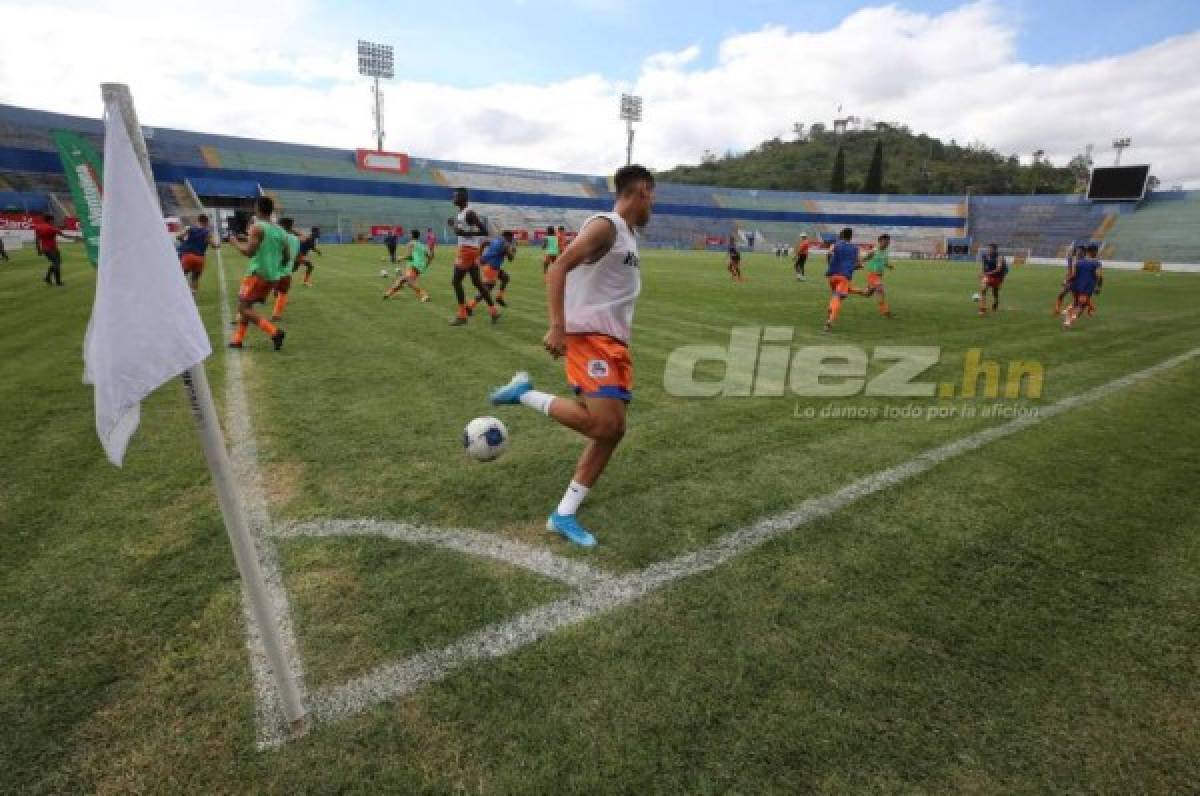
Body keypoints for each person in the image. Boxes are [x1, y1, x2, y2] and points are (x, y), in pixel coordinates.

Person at [488, 164, 655, 547]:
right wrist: (558, 325)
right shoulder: (605, 226)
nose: (653, 206)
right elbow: (559, 267)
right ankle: (524, 394)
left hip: (613, 344)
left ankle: (563, 515)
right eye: (653, 197)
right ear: (642, 190)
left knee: (612, 432)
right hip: (589, 340)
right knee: (605, 426)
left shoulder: (627, 235)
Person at [226, 196, 288, 350]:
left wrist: (234, 243)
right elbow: (286, 257)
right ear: (271, 210)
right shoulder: (281, 231)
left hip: (257, 274)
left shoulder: (257, 227)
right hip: (273, 277)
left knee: (243, 308)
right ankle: (237, 340)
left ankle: (274, 332)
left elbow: (249, 252)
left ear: (257, 209)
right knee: (247, 306)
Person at [447, 187, 499, 325]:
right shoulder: (460, 214)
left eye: (456, 196)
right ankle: (494, 311)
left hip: (467, 251)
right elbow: (461, 231)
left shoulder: (469, 213)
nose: (453, 199)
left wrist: (466, 234)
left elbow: (484, 230)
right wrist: (454, 226)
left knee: (456, 282)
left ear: (463, 198)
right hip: (470, 250)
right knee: (477, 283)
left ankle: (462, 316)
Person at [823, 227, 864, 332]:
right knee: (838, 297)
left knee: (836, 294)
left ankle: (831, 307)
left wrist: (830, 264)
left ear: (841, 236)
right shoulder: (855, 249)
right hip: (844, 277)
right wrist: (852, 267)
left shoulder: (835, 245)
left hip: (831, 276)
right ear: (851, 237)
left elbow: (828, 254)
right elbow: (859, 265)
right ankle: (830, 321)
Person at [468, 230, 515, 312]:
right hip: (491, 268)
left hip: (487, 264)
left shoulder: (496, 239)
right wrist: (513, 252)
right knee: (486, 290)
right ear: (508, 237)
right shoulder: (506, 244)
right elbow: (511, 259)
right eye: (512, 238)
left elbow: (484, 242)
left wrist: (480, 254)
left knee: (505, 277)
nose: (512, 240)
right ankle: (470, 306)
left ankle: (499, 298)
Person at [383, 228, 432, 302]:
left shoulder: (410, 243)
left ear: (412, 235)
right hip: (420, 266)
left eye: (410, 234)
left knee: (409, 282)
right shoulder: (422, 245)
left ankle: (424, 295)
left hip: (414, 265)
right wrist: (426, 265)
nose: (409, 235)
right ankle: (389, 293)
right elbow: (430, 257)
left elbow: (409, 256)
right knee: (403, 280)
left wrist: (400, 258)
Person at [1063, 244, 1103, 329]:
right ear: (1095, 252)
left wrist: (1067, 281)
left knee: (1076, 302)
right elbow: (1099, 276)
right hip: (1088, 287)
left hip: (1076, 286)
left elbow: (1073, 275)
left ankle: (1068, 318)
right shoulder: (1097, 263)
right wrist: (1098, 287)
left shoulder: (1079, 262)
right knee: (1082, 304)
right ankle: (1070, 319)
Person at [176, 214, 217, 294]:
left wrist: (184, 242)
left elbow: (178, 236)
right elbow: (213, 245)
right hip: (199, 258)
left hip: (188, 256)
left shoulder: (190, 228)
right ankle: (193, 297)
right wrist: (217, 244)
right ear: (206, 222)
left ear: (198, 220)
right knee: (195, 278)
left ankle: (178, 294)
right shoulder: (207, 232)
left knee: (181, 276)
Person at [270, 217, 301, 321]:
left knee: (254, 294)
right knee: (283, 293)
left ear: (281, 226)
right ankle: (276, 314)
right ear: (291, 227)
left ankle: (242, 315)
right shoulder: (296, 239)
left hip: (272, 270)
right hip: (287, 271)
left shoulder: (277, 236)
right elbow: (296, 256)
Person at [32, 214, 71, 286]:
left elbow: (37, 240)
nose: (54, 222)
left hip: (45, 249)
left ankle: (48, 278)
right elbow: (64, 235)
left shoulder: (38, 227)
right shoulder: (51, 228)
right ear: (50, 220)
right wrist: (77, 238)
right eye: (53, 220)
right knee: (57, 264)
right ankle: (57, 281)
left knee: (55, 263)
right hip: (52, 249)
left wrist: (38, 250)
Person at [862, 233, 895, 318]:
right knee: (881, 291)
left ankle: (854, 291)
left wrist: (889, 266)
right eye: (886, 242)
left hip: (879, 276)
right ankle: (885, 311)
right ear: (880, 241)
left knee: (868, 294)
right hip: (872, 275)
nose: (887, 243)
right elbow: (865, 258)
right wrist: (858, 263)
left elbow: (885, 262)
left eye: (888, 242)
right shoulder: (874, 251)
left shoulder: (885, 252)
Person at [978, 243, 1008, 315]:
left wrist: (986, 274)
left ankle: (996, 302)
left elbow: (998, 269)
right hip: (988, 276)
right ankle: (982, 308)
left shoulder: (999, 258)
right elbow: (984, 266)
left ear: (995, 250)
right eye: (988, 249)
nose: (989, 250)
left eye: (990, 249)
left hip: (997, 277)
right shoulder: (985, 256)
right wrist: (983, 273)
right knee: (983, 290)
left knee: (995, 292)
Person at [1055, 243, 1084, 315]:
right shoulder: (1070, 259)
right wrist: (1066, 279)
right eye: (1078, 250)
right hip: (1071, 280)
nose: (1079, 252)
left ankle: (1069, 310)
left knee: (1077, 299)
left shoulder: (1083, 261)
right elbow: (1069, 270)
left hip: (1078, 281)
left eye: (1080, 251)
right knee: (1061, 294)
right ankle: (1057, 309)